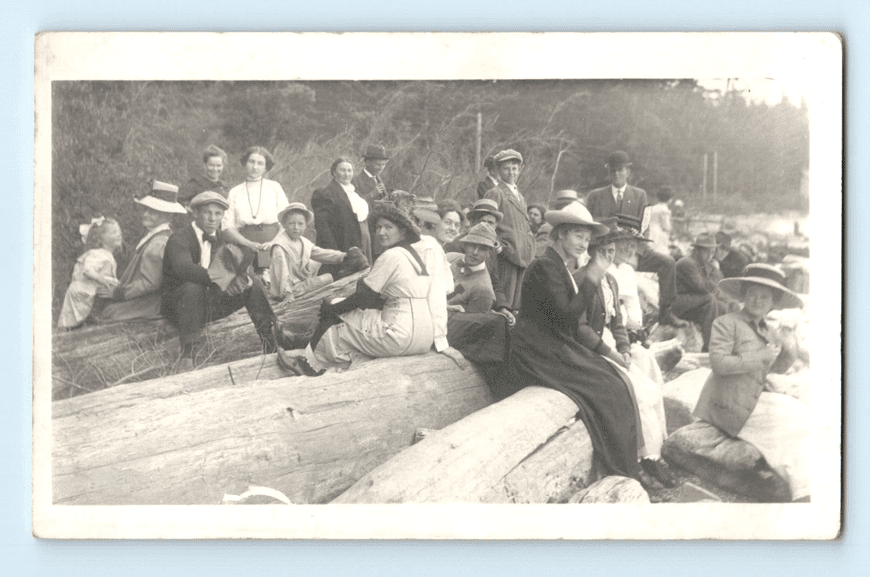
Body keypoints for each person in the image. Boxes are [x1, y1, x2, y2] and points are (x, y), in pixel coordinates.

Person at [500, 202, 640, 479]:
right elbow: (568, 316)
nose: (583, 243)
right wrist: (594, 273)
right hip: (536, 350)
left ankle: (624, 465)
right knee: (606, 385)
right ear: (560, 234)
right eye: (578, 236)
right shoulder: (545, 266)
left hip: (553, 344)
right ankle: (618, 468)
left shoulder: (558, 266)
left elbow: (569, 321)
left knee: (613, 379)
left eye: (587, 239)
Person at [280, 194, 467, 376]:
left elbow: (363, 298)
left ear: (403, 230)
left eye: (388, 227)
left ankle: (308, 367)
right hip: (423, 337)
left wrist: (332, 308)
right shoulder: (415, 255)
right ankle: (334, 364)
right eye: (378, 227)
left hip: (399, 334)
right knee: (351, 315)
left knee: (333, 321)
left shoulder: (392, 256)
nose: (381, 232)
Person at [693, 264, 809, 501]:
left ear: (773, 302)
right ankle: (802, 492)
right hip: (728, 403)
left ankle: (806, 486)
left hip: (754, 397)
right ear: (744, 296)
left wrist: (789, 347)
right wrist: (760, 356)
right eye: (753, 294)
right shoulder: (726, 323)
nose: (758, 300)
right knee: (789, 428)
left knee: (804, 416)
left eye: (765, 296)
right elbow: (720, 364)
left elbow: (775, 368)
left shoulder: (768, 329)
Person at [574, 219, 674, 487]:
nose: (608, 257)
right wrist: (615, 352)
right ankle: (643, 458)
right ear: (592, 252)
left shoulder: (610, 280)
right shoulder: (582, 279)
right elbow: (581, 325)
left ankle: (659, 446)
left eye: (610, 252)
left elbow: (617, 320)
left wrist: (626, 347)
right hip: (593, 344)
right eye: (604, 252)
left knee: (650, 371)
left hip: (612, 340)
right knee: (640, 391)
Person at [160, 192, 289, 367]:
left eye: (218, 214)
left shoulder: (221, 238)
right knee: (193, 286)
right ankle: (187, 355)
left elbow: (237, 266)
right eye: (207, 213)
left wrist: (243, 279)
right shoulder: (179, 239)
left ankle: (271, 341)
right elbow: (185, 270)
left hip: (208, 304)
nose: (213, 219)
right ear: (196, 213)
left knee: (254, 283)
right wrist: (225, 281)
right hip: (178, 308)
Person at [586, 151, 683, 327]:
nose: (616, 174)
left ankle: (666, 312)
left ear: (628, 172)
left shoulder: (640, 195)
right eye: (613, 170)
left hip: (632, 250)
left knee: (668, 263)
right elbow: (589, 227)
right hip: (605, 251)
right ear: (608, 172)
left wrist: (636, 255)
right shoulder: (595, 196)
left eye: (620, 170)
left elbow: (644, 229)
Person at [97, 180, 188, 322]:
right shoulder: (159, 236)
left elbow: (150, 283)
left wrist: (119, 292)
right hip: (149, 299)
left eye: (154, 212)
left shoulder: (158, 242)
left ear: (168, 216)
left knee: (109, 312)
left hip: (151, 303)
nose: (146, 214)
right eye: (146, 210)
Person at [268, 203, 368, 302]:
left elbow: (323, 254)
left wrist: (344, 255)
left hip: (301, 284)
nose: (296, 228)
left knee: (320, 266)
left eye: (300, 224)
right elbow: (281, 273)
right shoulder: (280, 246)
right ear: (284, 225)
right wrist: (288, 294)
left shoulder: (304, 242)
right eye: (291, 223)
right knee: (328, 278)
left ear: (306, 225)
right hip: (287, 289)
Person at [444, 223, 512, 366]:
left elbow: (467, 333)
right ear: (465, 245)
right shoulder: (449, 258)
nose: (474, 252)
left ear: (490, 253)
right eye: (472, 245)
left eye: (482, 248)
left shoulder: (484, 290)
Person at [444, 198, 515, 326]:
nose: (475, 252)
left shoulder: (490, 250)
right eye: (482, 221)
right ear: (472, 222)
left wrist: (502, 307)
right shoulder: (452, 250)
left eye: (490, 223)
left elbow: (493, 282)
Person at [221, 146, 290, 271]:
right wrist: (248, 244)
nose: (255, 167)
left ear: (266, 167)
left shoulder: (274, 188)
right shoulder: (235, 192)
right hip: (244, 248)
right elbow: (227, 226)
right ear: (245, 163)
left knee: (270, 281)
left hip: (272, 246)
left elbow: (287, 220)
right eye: (251, 162)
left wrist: (273, 242)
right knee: (250, 282)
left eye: (260, 163)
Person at [484, 149, 536, 313]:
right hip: (506, 257)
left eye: (514, 168)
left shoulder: (520, 197)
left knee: (517, 305)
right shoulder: (495, 193)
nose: (511, 172)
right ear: (498, 171)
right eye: (506, 168)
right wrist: (499, 247)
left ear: (519, 170)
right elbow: (485, 223)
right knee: (504, 303)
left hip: (522, 257)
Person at [311, 157, 373, 277]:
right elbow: (322, 226)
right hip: (343, 244)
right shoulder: (326, 192)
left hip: (363, 241)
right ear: (334, 172)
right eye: (342, 170)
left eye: (349, 171)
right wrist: (335, 252)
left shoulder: (355, 192)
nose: (347, 174)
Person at [58, 217, 122, 329]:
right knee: (75, 322)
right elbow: (87, 270)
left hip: (89, 289)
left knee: (112, 287)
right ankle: (91, 319)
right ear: (100, 238)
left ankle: (93, 318)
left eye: (119, 232)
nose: (119, 235)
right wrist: (101, 279)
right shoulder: (98, 254)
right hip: (83, 290)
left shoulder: (106, 255)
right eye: (113, 232)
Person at [673, 232, 726, 351]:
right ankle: (708, 346)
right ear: (697, 250)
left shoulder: (700, 264)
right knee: (710, 299)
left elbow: (711, 286)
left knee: (722, 306)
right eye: (706, 251)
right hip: (676, 303)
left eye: (712, 252)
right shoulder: (687, 263)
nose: (710, 256)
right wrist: (715, 275)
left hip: (689, 303)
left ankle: (720, 343)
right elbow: (702, 287)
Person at [535, 189, 584, 258]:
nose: (571, 210)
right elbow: (538, 251)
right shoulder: (548, 228)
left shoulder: (581, 230)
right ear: (558, 209)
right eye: (566, 206)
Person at [647, 186, 673, 255]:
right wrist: (670, 232)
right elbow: (666, 226)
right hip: (658, 231)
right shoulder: (664, 209)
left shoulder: (653, 207)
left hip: (650, 230)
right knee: (660, 250)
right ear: (669, 199)